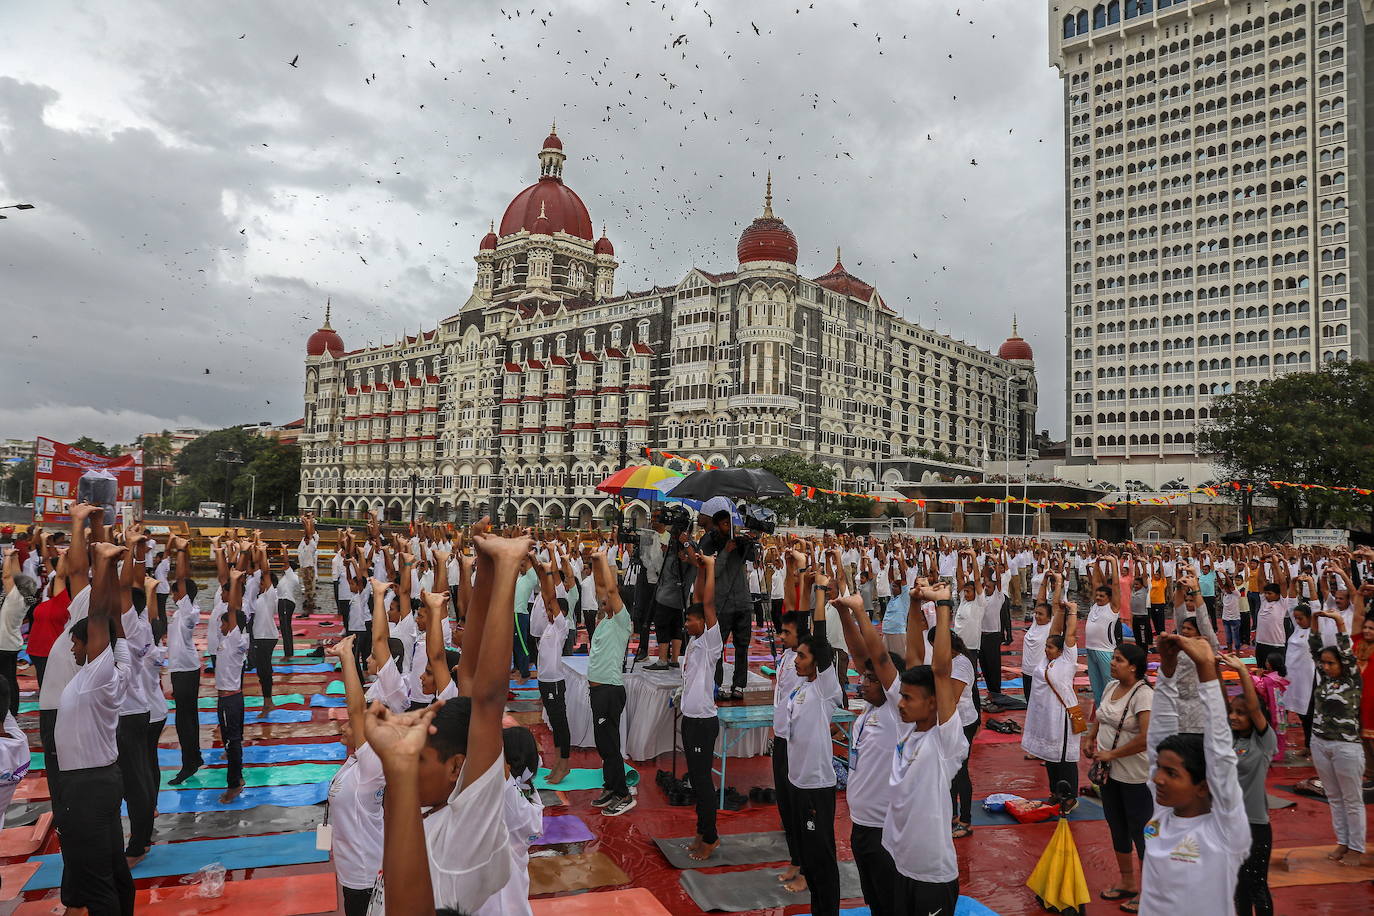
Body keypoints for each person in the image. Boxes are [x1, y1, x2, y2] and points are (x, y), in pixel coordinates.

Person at [1138, 634, 1249, 915]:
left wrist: (1207, 670)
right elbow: (1157, 739)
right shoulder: (1161, 815)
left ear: (1203, 786)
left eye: (1171, 773)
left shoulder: (1223, 831)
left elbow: (1221, 755)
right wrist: (1167, 666)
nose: (1157, 779)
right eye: (1160, 770)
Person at [55, 534, 134, 915]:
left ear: (94, 645)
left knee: (96, 880)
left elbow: (102, 618)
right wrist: (111, 565)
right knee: (113, 868)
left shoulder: (97, 676)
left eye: (77, 643)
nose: (73, 649)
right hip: (99, 780)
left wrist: (102, 562)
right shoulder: (116, 666)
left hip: (86, 787)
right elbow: (112, 619)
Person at [883, 581, 968, 916]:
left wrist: (943, 605)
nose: (900, 704)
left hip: (931, 875)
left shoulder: (944, 741)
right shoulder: (909, 728)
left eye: (907, 698)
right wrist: (915, 605)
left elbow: (940, 670)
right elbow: (915, 657)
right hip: (899, 861)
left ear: (933, 704)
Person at [832, 592, 907, 916]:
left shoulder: (896, 711)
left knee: (892, 903)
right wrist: (843, 613)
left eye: (872, 680)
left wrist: (860, 610)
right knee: (875, 901)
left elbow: (877, 658)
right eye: (863, 678)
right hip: (861, 825)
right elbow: (860, 655)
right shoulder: (869, 711)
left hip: (884, 829)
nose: (863, 684)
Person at [1085, 643, 1153, 911]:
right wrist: (1091, 737)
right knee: (1117, 826)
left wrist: (1112, 755)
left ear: (1134, 667)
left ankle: (1149, 890)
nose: (1112, 663)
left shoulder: (1144, 695)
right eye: (1113, 659)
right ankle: (1127, 882)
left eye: (1119, 660)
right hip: (1110, 775)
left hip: (1135, 775)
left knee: (1141, 831)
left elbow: (1146, 738)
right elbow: (1101, 716)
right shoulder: (1112, 687)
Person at [324, 635, 385, 915]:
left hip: (365, 873)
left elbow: (356, 709)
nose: (343, 727)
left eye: (350, 725)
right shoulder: (353, 762)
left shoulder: (372, 764)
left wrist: (346, 656)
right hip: (351, 871)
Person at [784, 624, 843, 916]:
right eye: (797, 655)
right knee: (808, 856)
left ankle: (829, 911)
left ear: (818, 662)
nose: (796, 660)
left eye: (803, 656)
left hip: (816, 786)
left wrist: (818, 592)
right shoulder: (799, 688)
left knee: (822, 858)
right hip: (797, 782)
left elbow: (821, 641)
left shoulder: (824, 688)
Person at [1307, 608, 1365, 864]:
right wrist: (1314, 621)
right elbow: (1314, 646)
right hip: (1320, 742)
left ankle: (1356, 848)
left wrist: (1339, 622)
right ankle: (1342, 842)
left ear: (1343, 664)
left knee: (1352, 799)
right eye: (1325, 663)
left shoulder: (1352, 681)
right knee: (1333, 797)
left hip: (1346, 746)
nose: (1327, 667)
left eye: (1332, 663)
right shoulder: (1324, 680)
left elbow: (1347, 652)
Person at [1221, 653, 1277, 916]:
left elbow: (1254, 709)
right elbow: (1220, 705)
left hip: (1255, 825)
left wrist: (1242, 671)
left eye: (1240, 714)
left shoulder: (1264, 742)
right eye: (1233, 712)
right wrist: (1209, 667)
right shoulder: (1230, 740)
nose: (1234, 716)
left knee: (1257, 886)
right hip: (1229, 823)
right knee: (1236, 887)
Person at [678, 547, 721, 860]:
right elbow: (697, 599)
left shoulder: (709, 644)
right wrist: (698, 569)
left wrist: (710, 567)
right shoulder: (694, 643)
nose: (687, 625)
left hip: (704, 722)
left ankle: (711, 837)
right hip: (689, 719)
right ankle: (700, 831)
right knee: (695, 780)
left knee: (704, 782)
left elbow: (706, 604)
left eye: (691, 622)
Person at [586, 544, 635, 815]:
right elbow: (601, 589)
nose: (602, 600)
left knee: (610, 745)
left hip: (610, 691)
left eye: (607, 601)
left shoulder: (621, 621)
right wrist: (595, 562)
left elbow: (612, 590)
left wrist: (605, 559)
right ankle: (610, 786)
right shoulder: (605, 620)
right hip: (598, 691)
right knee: (603, 743)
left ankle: (623, 794)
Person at [771, 550, 809, 891]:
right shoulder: (785, 656)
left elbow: (804, 613)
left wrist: (800, 569)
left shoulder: (809, 659)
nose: (780, 636)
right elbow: (787, 605)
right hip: (781, 740)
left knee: (803, 810)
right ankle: (797, 860)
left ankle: (809, 870)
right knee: (786, 808)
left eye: (786, 632)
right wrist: (787, 567)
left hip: (801, 745)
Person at [1023, 595, 1081, 804]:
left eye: (1050, 647)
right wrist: (1060, 610)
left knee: (1065, 758)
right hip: (1046, 717)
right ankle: (1056, 792)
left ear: (1061, 651)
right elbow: (1055, 631)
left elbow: (1069, 634)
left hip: (1062, 717)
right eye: (1046, 646)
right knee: (1049, 757)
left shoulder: (1067, 660)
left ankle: (1070, 796)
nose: (1046, 649)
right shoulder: (1044, 661)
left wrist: (1072, 611)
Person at [702, 510, 756, 700]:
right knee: (718, 647)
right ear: (717, 525)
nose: (729, 527)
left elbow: (753, 559)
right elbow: (713, 572)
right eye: (725, 524)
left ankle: (739, 685)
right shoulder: (711, 542)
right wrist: (726, 551)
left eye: (730, 524)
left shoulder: (739, 541)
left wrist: (749, 542)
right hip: (722, 604)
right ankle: (717, 684)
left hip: (742, 602)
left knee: (742, 646)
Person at [529, 549, 571, 784]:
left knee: (560, 723)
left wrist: (547, 573)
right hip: (545, 682)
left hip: (555, 682)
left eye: (552, 610)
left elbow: (551, 598)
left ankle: (564, 764)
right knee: (555, 725)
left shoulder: (561, 627)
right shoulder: (549, 627)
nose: (548, 612)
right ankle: (558, 763)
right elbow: (547, 600)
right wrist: (538, 566)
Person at [165, 537, 203, 785]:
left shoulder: (189, 611)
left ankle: (189, 763)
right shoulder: (181, 612)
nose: (172, 592)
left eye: (176, 590)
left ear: (184, 595)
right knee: (187, 717)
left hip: (187, 670)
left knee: (184, 719)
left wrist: (181, 551)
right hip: (182, 668)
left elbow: (181, 579)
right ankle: (194, 757)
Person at [217, 568, 252, 805]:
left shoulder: (236, 639)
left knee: (233, 741)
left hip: (231, 700)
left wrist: (235, 581)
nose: (221, 626)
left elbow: (233, 609)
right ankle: (235, 779)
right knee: (229, 741)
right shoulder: (227, 639)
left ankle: (235, 783)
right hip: (226, 700)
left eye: (224, 624)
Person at [1284, 602, 1317, 753]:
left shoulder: (1315, 631)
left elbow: (1315, 607)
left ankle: (1310, 746)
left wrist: (1310, 583)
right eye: (1295, 618)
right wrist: (1293, 582)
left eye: (1301, 618)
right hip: (1292, 678)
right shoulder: (1297, 629)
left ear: (1310, 618)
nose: (1297, 621)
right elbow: (1291, 603)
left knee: (1308, 714)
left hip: (1307, 680)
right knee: (1293, 710)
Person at [1086, 584, 1120, 705]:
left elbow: (1116, 586)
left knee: (1110, 684)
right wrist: (1097, 564)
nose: (1098, 598)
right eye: (1097, 595)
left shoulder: (1112, 608)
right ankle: (1100, 713)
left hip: (1105, 651)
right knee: (1096, 687)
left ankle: (1113, 709)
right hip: (1090, 650)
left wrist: (1113, 564)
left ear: (1110, 598)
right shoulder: (1094, 606)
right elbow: (1095, 581)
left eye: (1102, 596)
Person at [277, 556, 303, 655]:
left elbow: (286, 561)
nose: (283, 567)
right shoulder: (286, 577)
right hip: (283, 602)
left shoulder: (291, 575)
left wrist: (284, 549)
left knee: (285, 628)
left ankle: (288, 652)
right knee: (285, 628)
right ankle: (288, 651)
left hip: (286, 602)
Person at [298, 514, 319, 613]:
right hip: (304, 568)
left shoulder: (312, 544)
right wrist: (305, 522)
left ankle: (310, 603)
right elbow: (307, 534)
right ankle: (308, 602)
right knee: (306, 587)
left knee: (309, 587)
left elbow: (309, 533)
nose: (305, 539)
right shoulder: (304, 543)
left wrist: (307, 522)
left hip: (309, 568)